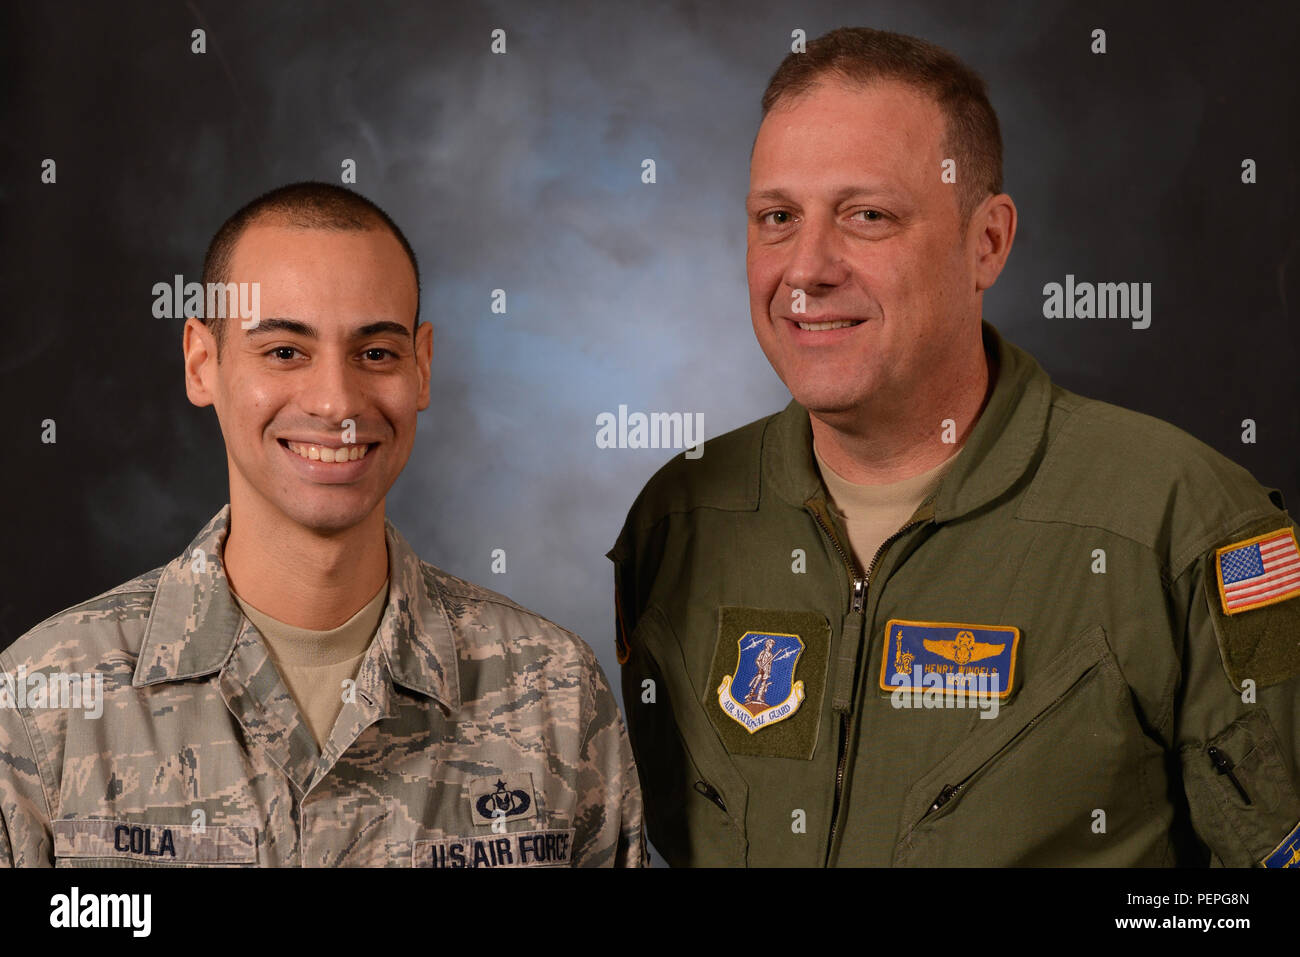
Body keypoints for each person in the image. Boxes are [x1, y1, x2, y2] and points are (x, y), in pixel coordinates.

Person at [609, 27, 1300, 867]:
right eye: (777, 217)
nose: (807, 268)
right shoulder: (678, 520)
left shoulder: (1186, 527)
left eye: (868, 215)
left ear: (988, 243)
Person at [0, 182, 644, 868]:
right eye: (283, 350)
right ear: (201, 361)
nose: (337, 401)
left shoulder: (557, 694)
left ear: (422, 368)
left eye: (376, 353)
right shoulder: (44, 703)